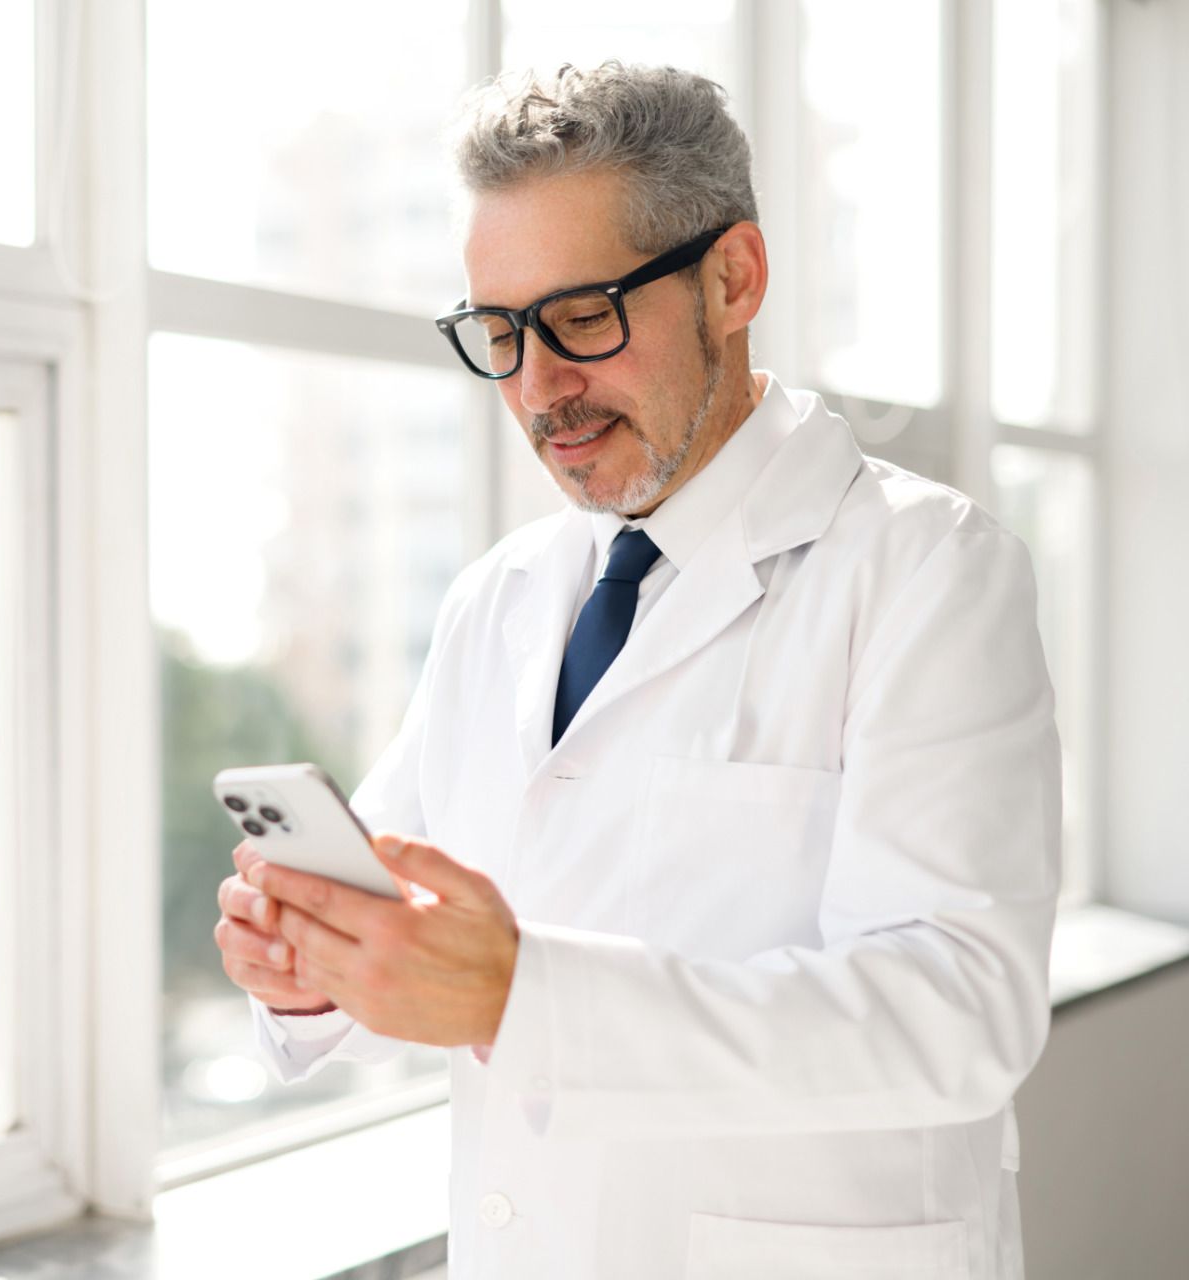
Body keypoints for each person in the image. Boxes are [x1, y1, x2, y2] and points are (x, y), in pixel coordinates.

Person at [212, 61, 1058, 1279]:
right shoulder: (498, 599)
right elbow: (413, 923)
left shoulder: (930, 570)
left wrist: (524, 997)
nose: (539, 384)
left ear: (732, 280)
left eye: (584, 316)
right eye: (498, 331)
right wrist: (310, 968)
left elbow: (958, 1014)